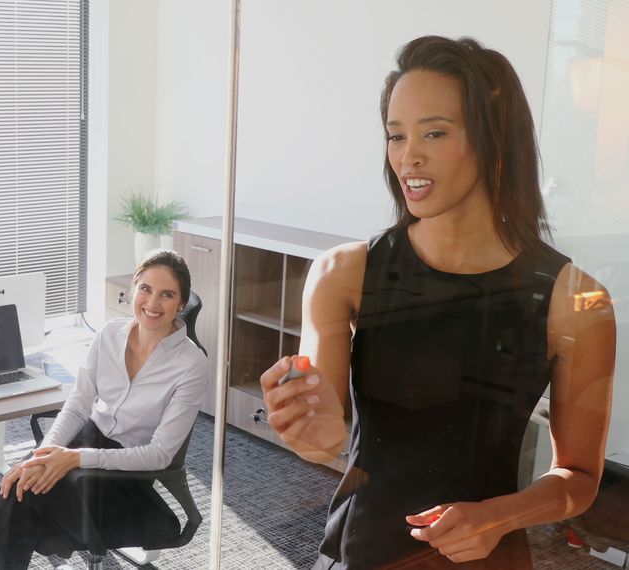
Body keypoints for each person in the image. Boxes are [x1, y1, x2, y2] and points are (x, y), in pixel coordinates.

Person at [260, 35, 616, 569]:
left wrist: (498, 516)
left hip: (487, 556)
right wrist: (316, 434)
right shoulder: (344, 274)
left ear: (495, 142)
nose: (409, 156)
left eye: (434, 132)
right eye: (396, 135)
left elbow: (581, 481)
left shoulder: (575, 299)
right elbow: (323, 432)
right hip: (364, 550)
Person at [0, 249, 210, 569]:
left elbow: (159, 454)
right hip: (83, 441)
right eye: (145, 289)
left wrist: (73, 458)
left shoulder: (191, 364)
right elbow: (77, 405)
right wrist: (42, 455)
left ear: (181, 304)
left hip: (122, 475)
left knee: (13, 507)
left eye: (167, 295)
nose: (152, 303)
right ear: (133, 288)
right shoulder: (109, 334)